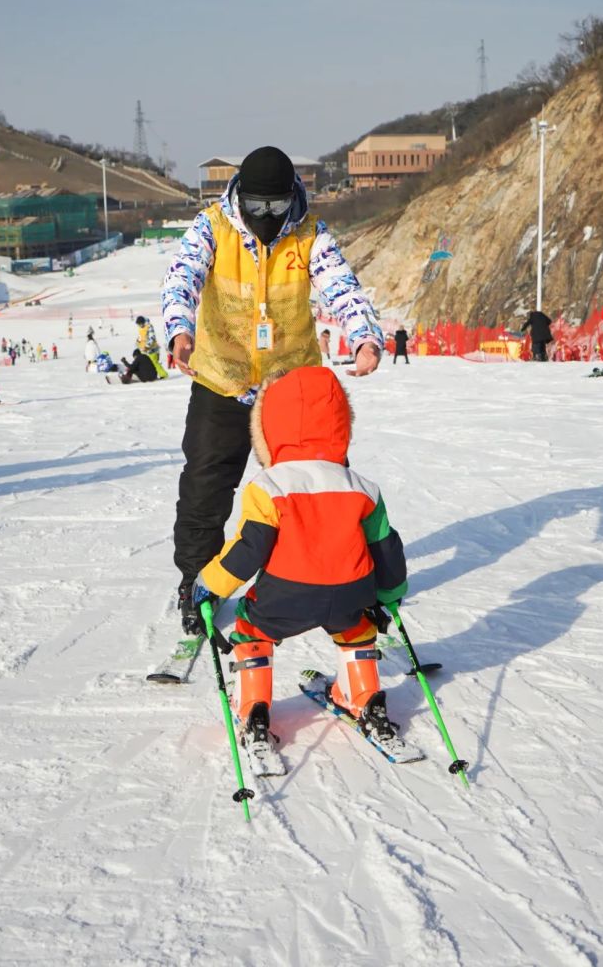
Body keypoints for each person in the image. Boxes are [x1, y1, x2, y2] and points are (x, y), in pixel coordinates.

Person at [161, 145, 384, 637]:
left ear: (292, 199)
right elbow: (182, 279)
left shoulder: (310, 234)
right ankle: (197, 582)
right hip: (222, 378)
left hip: (291, 391)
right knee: (205, 488)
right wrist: (179, 329)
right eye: (257, 207)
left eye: (276, 208)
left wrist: (364, 334)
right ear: (240, 197)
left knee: (317, 486)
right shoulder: (212, 225)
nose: (266, 217)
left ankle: (332, 573)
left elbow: (342, 288)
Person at [191, 366, 408, 752]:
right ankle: (364, 697)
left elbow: (248, 550)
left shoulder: (269, 486)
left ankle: (254, 709)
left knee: (251, 630)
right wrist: (390, 594)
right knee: (357, 629)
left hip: (284, 596)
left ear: (269, 429)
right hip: (350, 593)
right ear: (342, 423)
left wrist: (208, 584)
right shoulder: (361, 486)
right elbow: (385, 546)